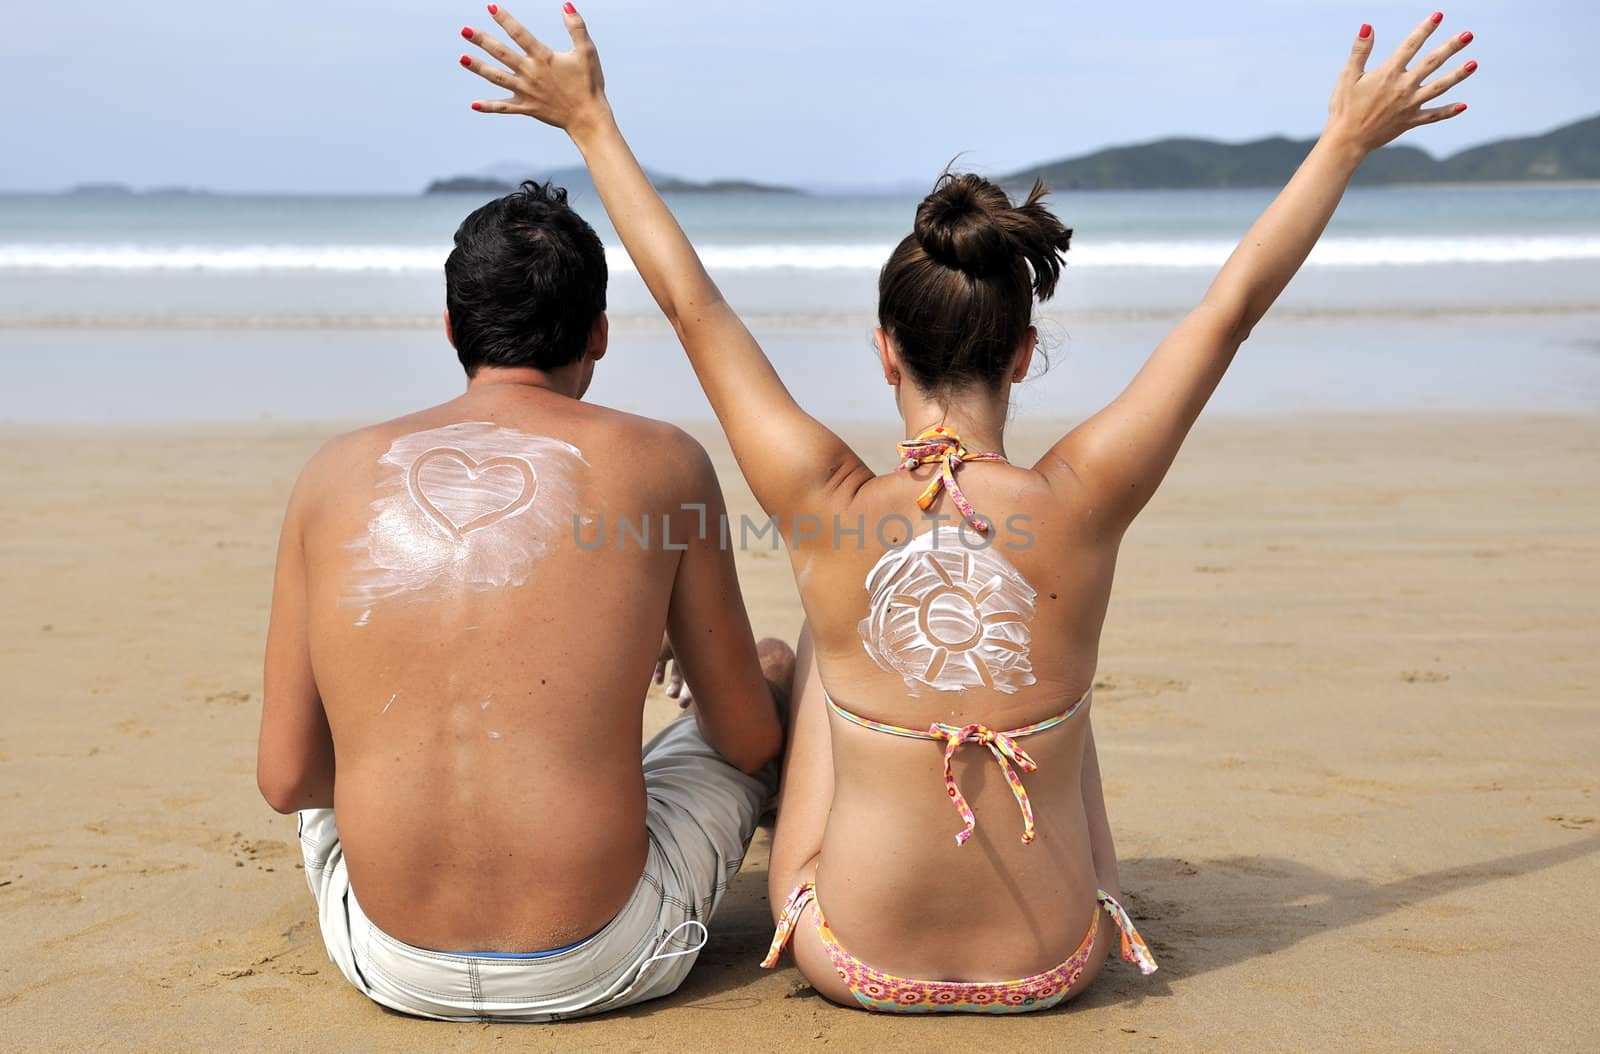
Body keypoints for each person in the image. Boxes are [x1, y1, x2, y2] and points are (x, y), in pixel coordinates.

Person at [459, 5, 1476, 1012]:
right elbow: (1228, 313)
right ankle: (1081, 886)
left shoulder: (829, 500)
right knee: (1045, 642)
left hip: (851, 954)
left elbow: (694, 308)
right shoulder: (1077, 501)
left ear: (884, 349)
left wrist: (588, 121)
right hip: (1057, 962)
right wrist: (1345, 141)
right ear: (1024, 353)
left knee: (830, 638)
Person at [257, 176, 790, 1021]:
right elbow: (747, 736)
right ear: (599, 334)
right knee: (767, 672)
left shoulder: (332, 475)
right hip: (601, 955)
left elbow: (287, 780)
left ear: (451, 329)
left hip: (395, 960)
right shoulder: (665, 464)